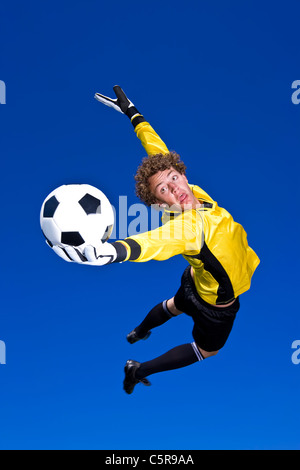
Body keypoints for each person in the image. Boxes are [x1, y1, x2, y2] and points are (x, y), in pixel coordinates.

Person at [51, 86, 260, 394]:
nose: (174, 187)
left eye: (174, 178)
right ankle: (138, 369)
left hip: (194, 281)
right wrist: (112, 251)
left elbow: (157, 151)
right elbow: (151, 244)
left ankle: (140, 329)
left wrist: (133, 113)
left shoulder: (197, 193)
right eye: (163, 190)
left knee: (175, 304)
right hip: (217, 305)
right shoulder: (187, 229)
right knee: (207, 350)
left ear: (182, 174)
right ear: (161, 205)